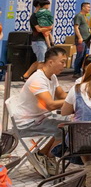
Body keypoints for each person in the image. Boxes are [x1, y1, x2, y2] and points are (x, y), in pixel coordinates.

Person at [12, 46, 68, 176]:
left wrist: (77, 96)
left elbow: (62, 95)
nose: (65, 65)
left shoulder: (52, 76)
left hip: (40, 118)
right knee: (65, 129)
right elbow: (50, 105)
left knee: (70, 123)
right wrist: (74, 100)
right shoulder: (38, 79)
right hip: (27, 123)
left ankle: (42, 154)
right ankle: (48, 156)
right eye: (62, 62)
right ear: (51, 62)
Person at [72, 2, 91, 76]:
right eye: (88, 7)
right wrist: (80, 37)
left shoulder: (85, 16)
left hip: (86, 39)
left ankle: (80, 70)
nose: (89, 9)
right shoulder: (78, 16)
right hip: (81, 40)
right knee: (80, 55)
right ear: (83, 7)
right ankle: (76, 72)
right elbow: (76, 27)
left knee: (84, 56)